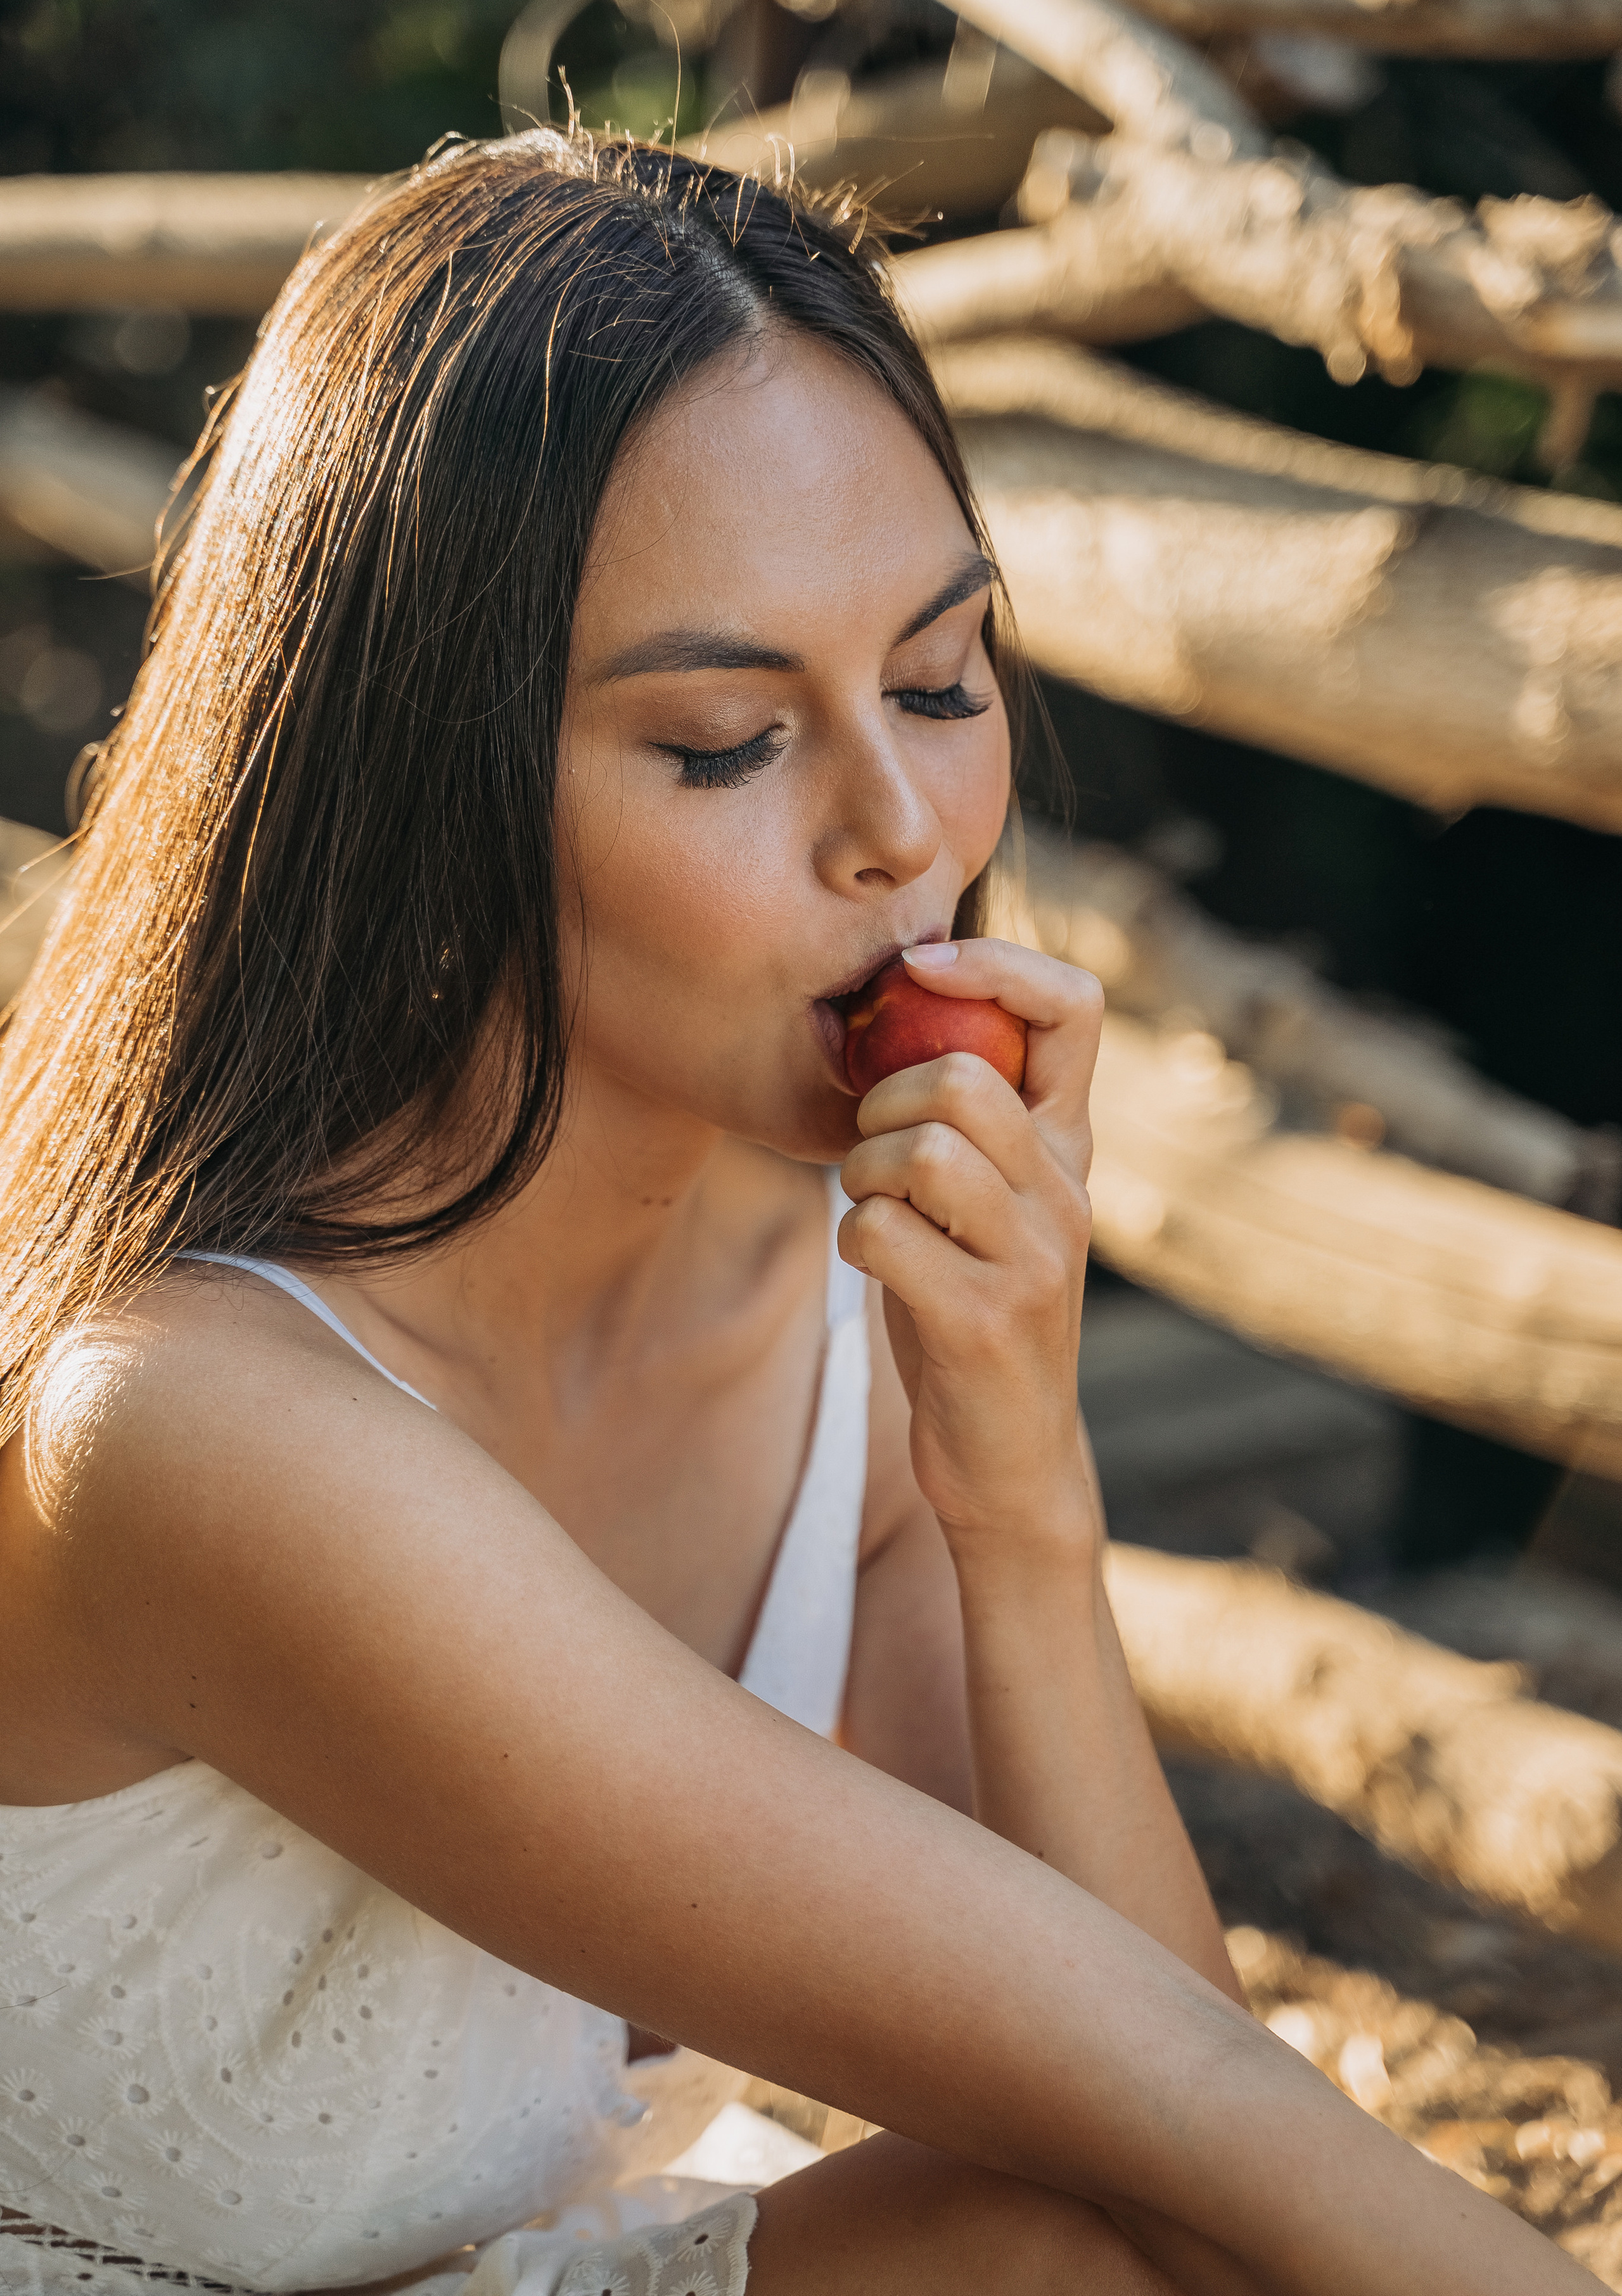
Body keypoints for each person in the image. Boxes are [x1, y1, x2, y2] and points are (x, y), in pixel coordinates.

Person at [0, 130, 1585, 2296]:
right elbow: (1187, 2104)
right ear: (421, 789)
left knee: (1071, 2251)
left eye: (942, 685)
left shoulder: (830, 1298)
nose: (906, 828)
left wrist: (1014, 1485)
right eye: (733, 741)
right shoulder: (196, 1425)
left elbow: (1174, 2135)